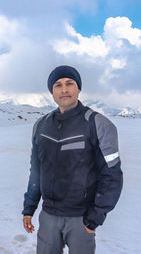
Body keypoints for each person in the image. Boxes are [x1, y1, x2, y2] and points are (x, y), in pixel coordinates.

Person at [22, 65, 123, 254]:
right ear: (51, 91)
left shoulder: (97, 124)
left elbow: (112, 176)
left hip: (81, 218)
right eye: (58, 85)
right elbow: (36, 172)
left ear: (78, 88)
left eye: (70, 83)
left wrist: (94, 218)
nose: (64, 89)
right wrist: (29, 208)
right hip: (49, 216)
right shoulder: (41, 126)